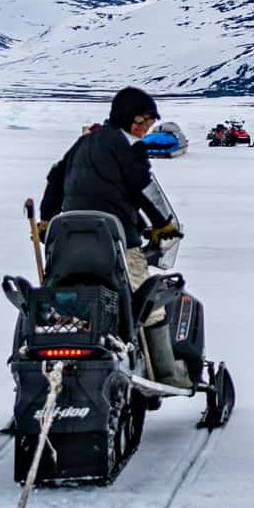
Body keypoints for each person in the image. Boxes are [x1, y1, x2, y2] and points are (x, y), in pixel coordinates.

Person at [39, 86, 177, 329]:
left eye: (150, 121)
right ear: (125, 117)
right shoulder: (130, 146)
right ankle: (165, 368)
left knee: (71, 306)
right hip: (116, 242)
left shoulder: (83, 143)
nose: (145, 127)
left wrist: (47, 220)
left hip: (70, 244)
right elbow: (144, 188)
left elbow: (55, 178)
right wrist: (163, 224)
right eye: (141, 120)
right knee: (149, 308)